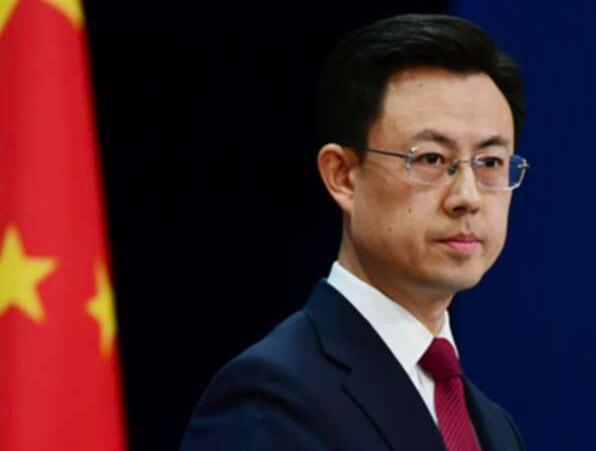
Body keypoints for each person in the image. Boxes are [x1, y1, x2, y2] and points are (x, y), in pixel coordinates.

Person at [180, 13, 528, 451]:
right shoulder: (268, 400)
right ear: (342, 176)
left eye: (490, 163)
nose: (468, 196)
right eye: (431, 159)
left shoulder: (495, 427)